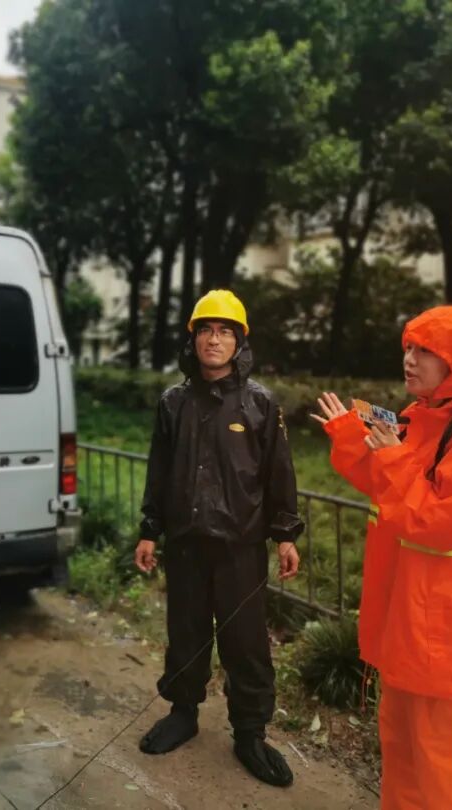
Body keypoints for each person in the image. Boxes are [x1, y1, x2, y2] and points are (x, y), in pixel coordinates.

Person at [312, 305, 452, 810]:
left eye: (426, 350)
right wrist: (352, 435)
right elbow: (390, 490)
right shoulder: (420, 421)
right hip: (409, 632)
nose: (409, 359)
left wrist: (390, 454)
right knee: (406, 764)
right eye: (408, 347)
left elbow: (436, 524)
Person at [134, 289, 303, 788]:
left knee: (245, 642)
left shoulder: (259, 402)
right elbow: (159, 470)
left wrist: (285, 535)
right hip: (186, 543)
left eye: (225, 331)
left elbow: (279, 472)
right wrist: (149, 530)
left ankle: (250, 732)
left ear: (239, 342)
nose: (214, 339)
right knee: (185, 633)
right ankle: (182, 713)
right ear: (192, 339)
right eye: (205, 330)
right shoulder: (174, 402)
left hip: (240, 546)